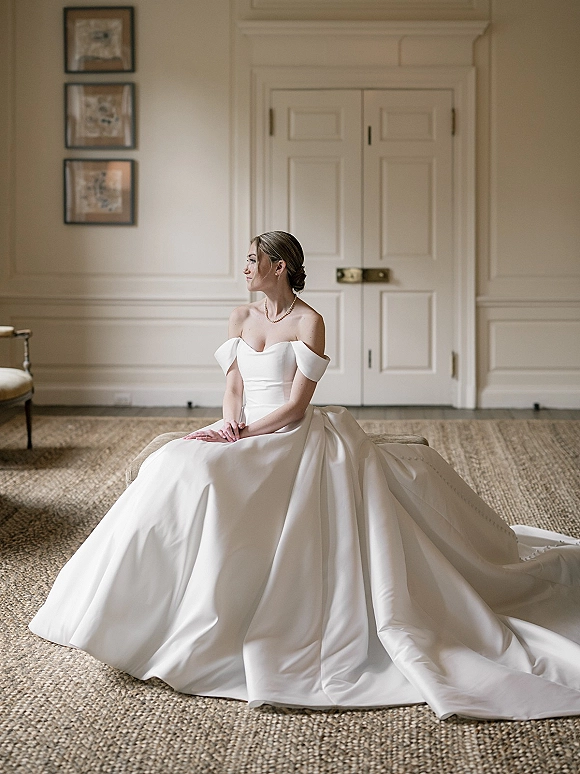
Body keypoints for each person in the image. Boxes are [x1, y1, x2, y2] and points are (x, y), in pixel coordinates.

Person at [30, 232, 580, 721]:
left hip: (288, 435)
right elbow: (234, 388)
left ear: (280, 267)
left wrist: (245, 436)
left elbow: (296, 408)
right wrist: (228, 425)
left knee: (206, 472)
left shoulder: (310, 321)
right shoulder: (240, 317)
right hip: (242, 426)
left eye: (254, 259)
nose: (245, 268)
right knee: (173, 461)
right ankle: (131, 604)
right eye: (246, 259)